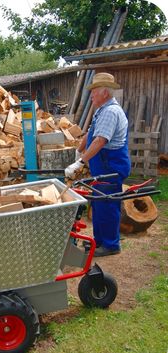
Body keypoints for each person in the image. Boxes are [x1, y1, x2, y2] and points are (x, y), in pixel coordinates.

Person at [65, 72, 131, 257]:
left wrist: (80, 162)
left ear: (104, 92)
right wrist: (79, 148)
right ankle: (99, 242)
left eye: (93, 91)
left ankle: (110, 245)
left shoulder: (110, 112)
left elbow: (100, 140)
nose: (91, 95)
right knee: (100, 205)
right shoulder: (102, 110)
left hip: (111, 166)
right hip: (103, 166)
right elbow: (92, 133)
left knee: (107, 206)